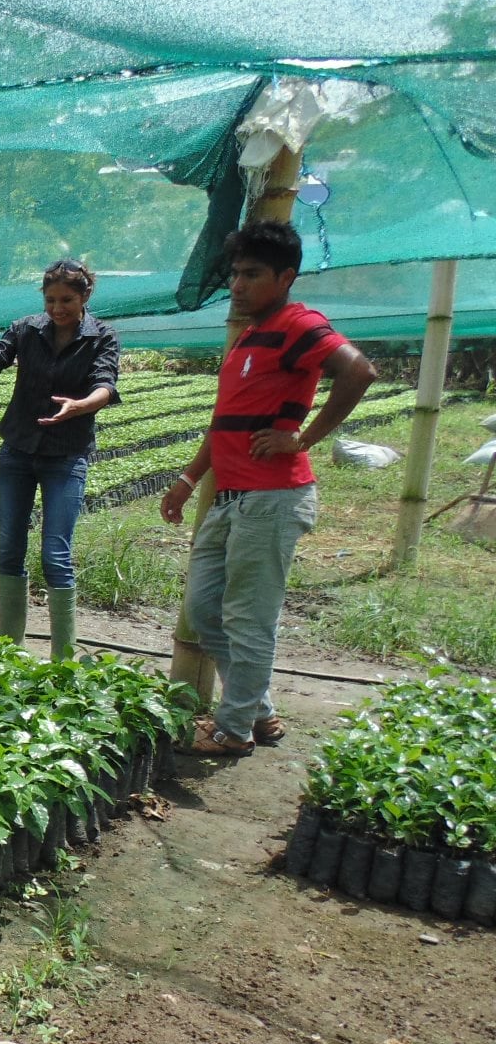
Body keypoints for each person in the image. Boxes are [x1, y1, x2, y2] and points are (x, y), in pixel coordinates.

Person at [160, 220, 377, 757]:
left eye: (252, 274)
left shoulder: (299, 323)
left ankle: (233, 730)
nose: (238, 285)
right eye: (235, 273)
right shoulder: (251, 335)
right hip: (232, 495)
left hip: (271, 497)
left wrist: (301, 439)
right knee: (207, 610)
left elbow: (359, 372)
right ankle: (258, 711)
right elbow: (226, 421)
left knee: (248, 618)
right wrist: (189, 480)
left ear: (285, 277)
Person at [0, 259, 121, 660]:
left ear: (86, 296)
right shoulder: (26, 329)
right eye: (50, 299)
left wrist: (81, 405)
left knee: (56, 552)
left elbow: (105, 385)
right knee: (9, 548)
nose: (57, 308)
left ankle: (63, 661)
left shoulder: (101, 337)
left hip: (66, 455)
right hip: (18, 449)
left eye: (66, 300)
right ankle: (8, 653)